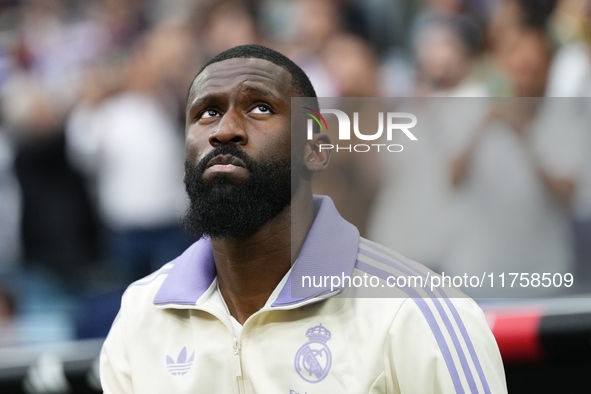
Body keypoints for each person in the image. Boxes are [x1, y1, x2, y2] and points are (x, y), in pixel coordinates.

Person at [100, 44, 507, 393]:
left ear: (316, 148)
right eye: (206, 113)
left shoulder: (420, 311)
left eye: (260, 107)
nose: (225, 130)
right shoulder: (139, 315)